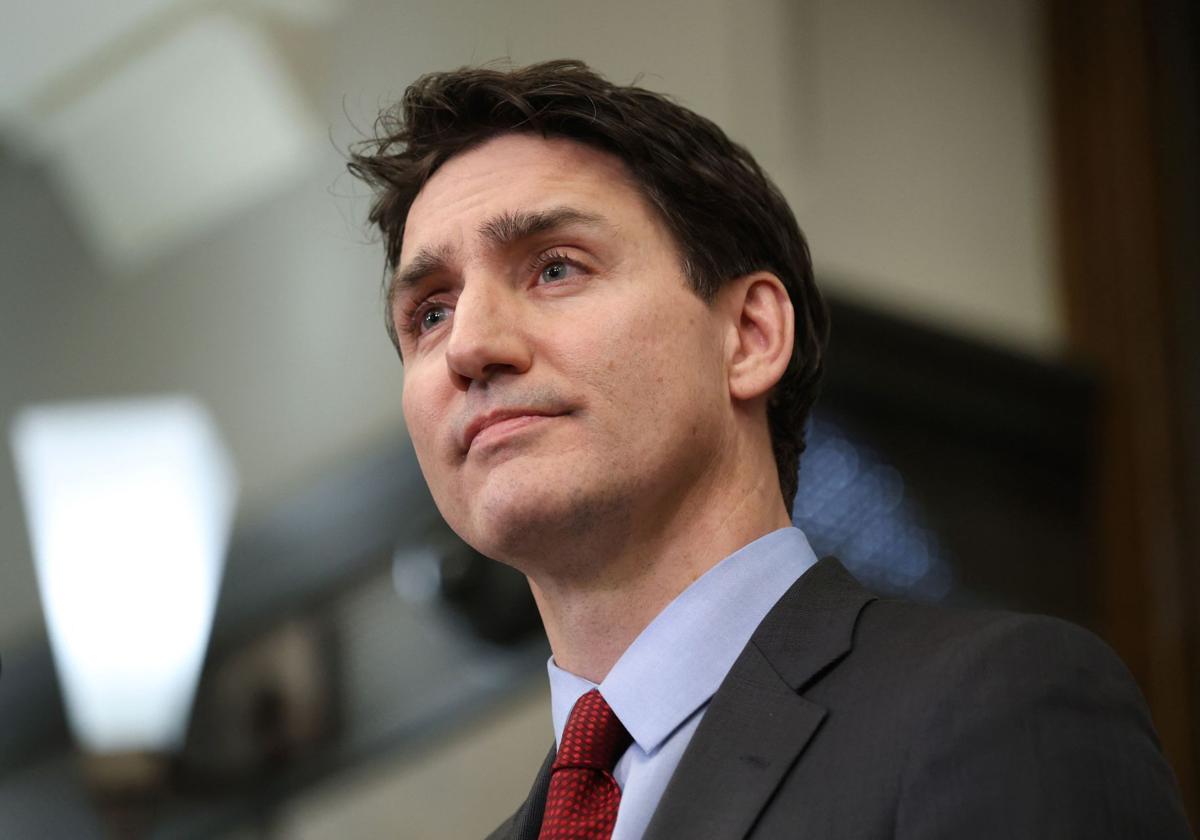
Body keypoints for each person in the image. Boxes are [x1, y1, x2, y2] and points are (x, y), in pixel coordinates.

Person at [348, 60, 1191, 839]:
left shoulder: (996, 704)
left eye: (556, 268)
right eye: (429, 313)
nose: (468, 345)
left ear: (749, 335)